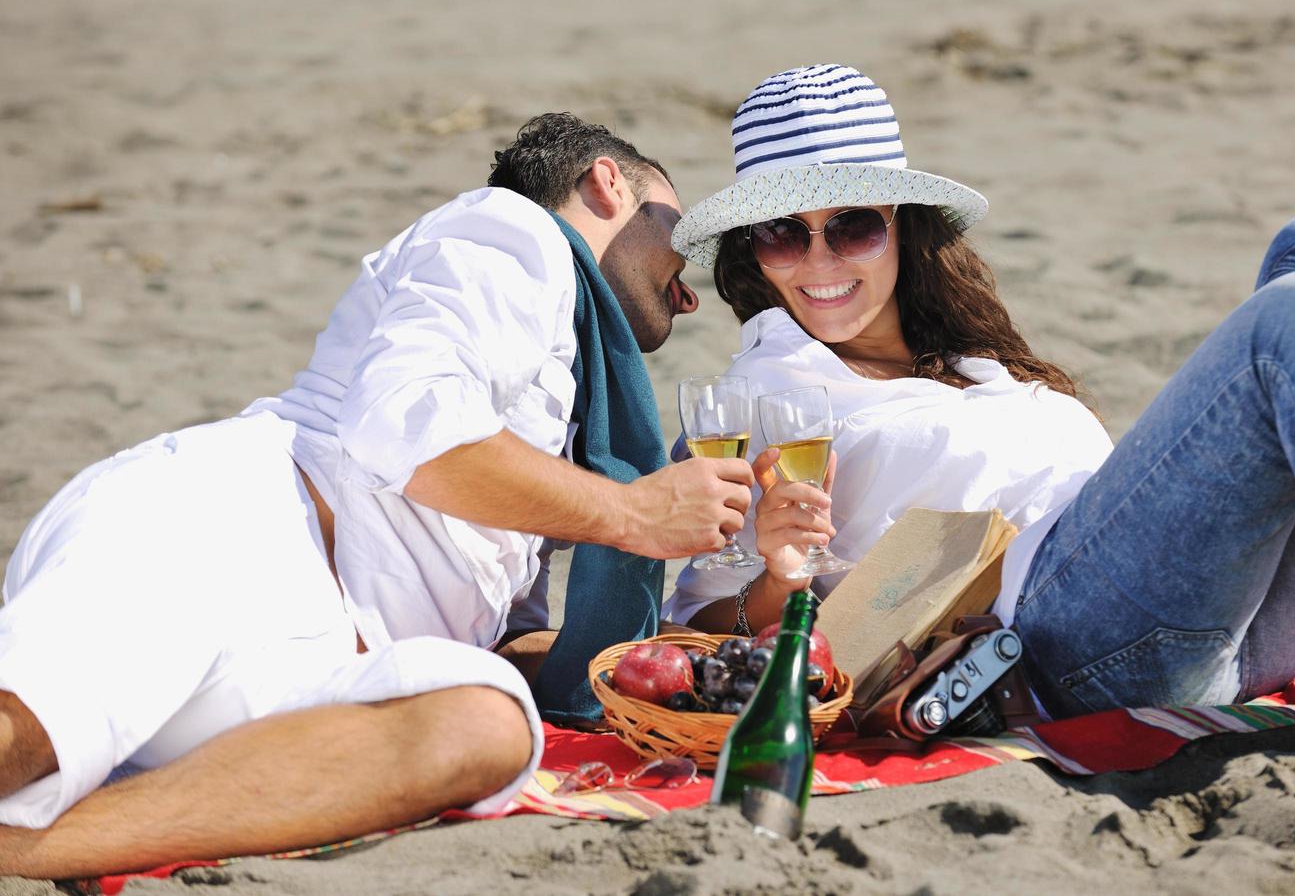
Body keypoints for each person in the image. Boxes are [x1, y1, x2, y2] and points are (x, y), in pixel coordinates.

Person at [0, 113, 755, 878]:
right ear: (606, 182)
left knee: (487, 729)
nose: (686, 292)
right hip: (240, 539)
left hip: (315, 668)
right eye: (681, 236)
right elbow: (407, 428)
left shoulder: (569, 421)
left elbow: (501, 638)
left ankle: (31, 848)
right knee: (26, 737)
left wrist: (652, 667)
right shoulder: (512, 233)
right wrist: (634, 515)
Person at [665, 64, 1295, 723]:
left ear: (904, 226)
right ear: (751, 251)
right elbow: (692, 631)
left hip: (1249, 619)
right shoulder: (758, 396)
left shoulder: (969, 358)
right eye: (780, 232)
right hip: (1070, 645)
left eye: (852, 226)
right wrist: (779, 571)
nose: (819, 262)